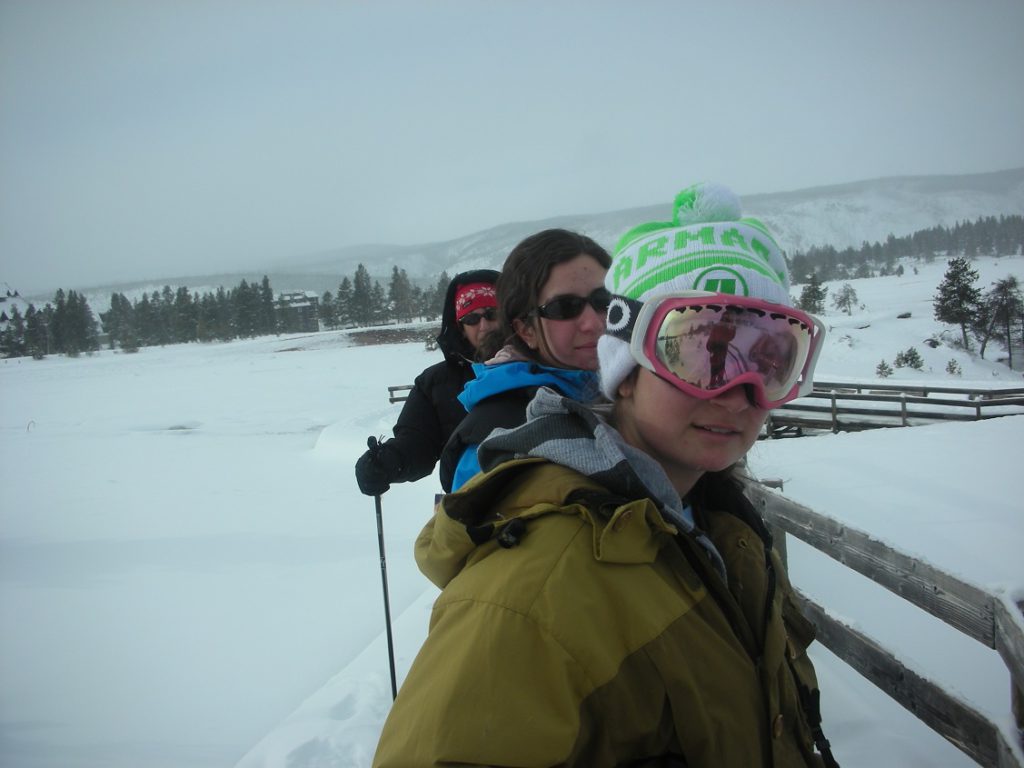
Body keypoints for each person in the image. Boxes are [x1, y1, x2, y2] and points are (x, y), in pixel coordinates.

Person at [373, 183, 837, 767]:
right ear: (627, 365)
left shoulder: (722, 526)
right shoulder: (537, 590)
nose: (740, 392)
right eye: (696, 350)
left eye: (772, 357)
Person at [437, 228, 612, 492]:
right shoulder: (497, 439)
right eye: (565, 307)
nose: (593, 323)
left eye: (603, 300)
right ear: (526, 330)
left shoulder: (646, 390)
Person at [353, 269, 499, 496]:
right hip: (467, 504)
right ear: (460, 326)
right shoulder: (434, 383)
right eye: (472, 318)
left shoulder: (540, 368)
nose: (484, 326)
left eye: (492, 314)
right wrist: (388, 460)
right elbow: (417, 443)